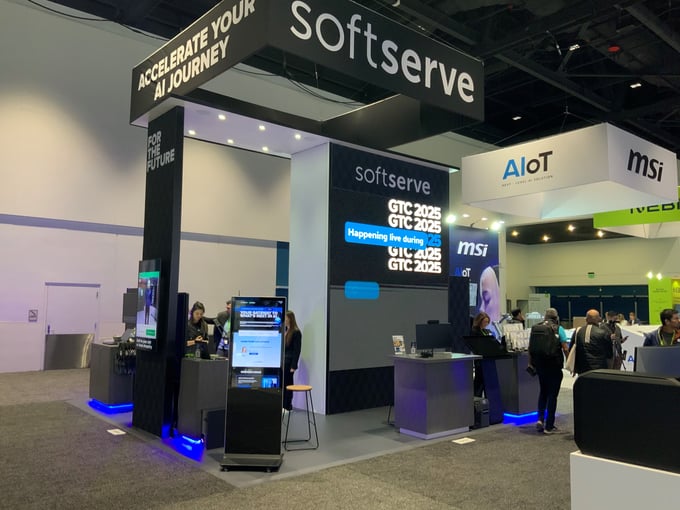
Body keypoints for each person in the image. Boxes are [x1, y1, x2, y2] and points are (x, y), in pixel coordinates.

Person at [529, 308, 568, 434]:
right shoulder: (558, 329)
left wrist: (531, 363)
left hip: (540, 366)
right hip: (554, 365)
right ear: (556, 317)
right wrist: (569, 362)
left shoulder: (536, 328)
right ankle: (549, 426)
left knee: (543, 392)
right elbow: (565, 347)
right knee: (552, 395)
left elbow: (530, 348)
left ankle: (540, 419)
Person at [570, 309, 613, 374]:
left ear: (586, 319)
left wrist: (575, 367)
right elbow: (609, 355)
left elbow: (572, 349)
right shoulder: (604, 333)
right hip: (600, 370)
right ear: (598, 319)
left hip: (582, 370)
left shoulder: (578, 331)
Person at [283, 310, 302, 412]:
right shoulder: (286, 330)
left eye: (286, 318)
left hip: (289, 362)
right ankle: (283, 405)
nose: (284, 320)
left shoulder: (296, 332)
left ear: (290, 319)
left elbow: (297, 350)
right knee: (284, 384)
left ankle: (287, 405)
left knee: (288, 384)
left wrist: (293, 366)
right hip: (284, 362)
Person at [470, 312, 493, 397]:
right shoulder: (475, 331)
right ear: (480, 321)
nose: (486, 324)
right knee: (479, 380)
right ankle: (477, 397)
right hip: (480, 359)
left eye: (487, 322)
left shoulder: (486, 331)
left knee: (486, 380)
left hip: (487, 358)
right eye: (485, 322)